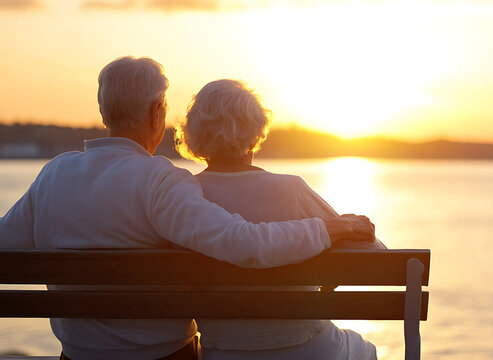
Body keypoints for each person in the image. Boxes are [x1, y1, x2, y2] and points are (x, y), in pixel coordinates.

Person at [0, 57, 375, 360]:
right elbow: (243, 243)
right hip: (163, 358)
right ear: (156, 112)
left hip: (76, 356)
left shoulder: (53, 174)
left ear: (103, 112)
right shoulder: (160, 180)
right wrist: (327, 229)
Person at [175, 79, 385, 360]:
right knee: (366, 350)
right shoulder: (291, 190)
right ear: (256, 132)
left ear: (194, 133)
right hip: (308, 350)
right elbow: (378, 258)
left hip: (222, 352)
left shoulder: (183, 197)